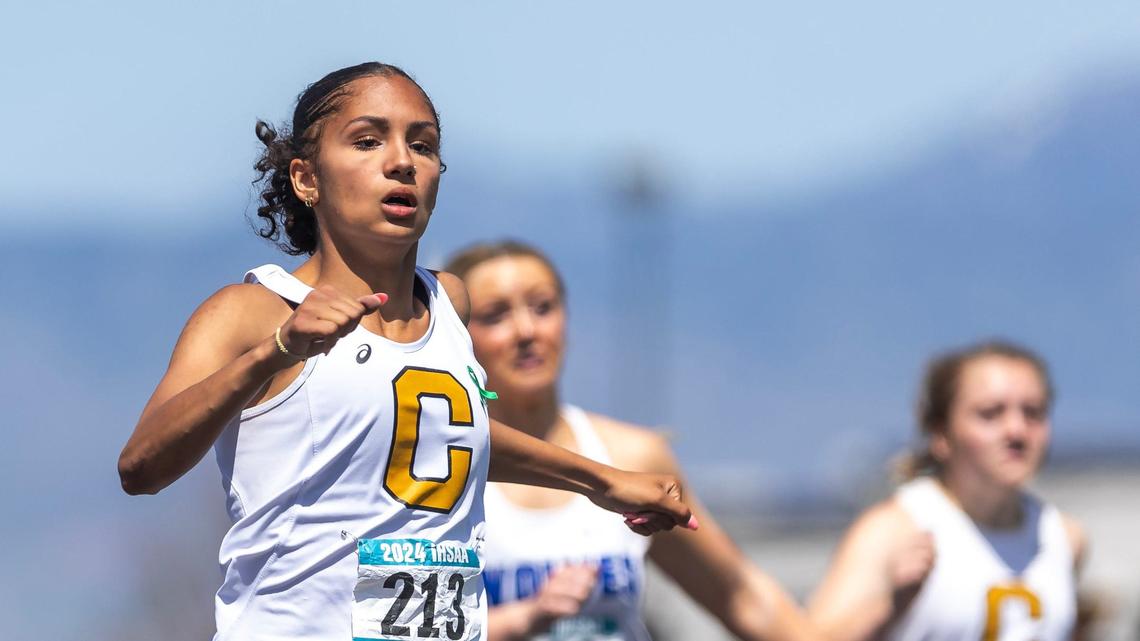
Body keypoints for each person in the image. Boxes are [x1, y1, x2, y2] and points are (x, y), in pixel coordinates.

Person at [116, 62, 695, 641]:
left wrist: (603, 482)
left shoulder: (450, 303)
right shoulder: (252, 311)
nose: (401, 162)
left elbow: (444, 438)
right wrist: (274, 352)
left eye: (423, 146)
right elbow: (141, 466)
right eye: (367, 141)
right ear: (305, 178)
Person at [444, 240, 818, 641]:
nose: (526, 331)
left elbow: (739, 595)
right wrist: (524, 617)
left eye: (543, 307)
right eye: (495, 315)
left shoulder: (631, 456)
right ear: (456, 334)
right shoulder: (441, 461)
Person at [807, 341, 1085, 641]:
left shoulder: (1064, 538)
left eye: (1033, 413)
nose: (1016, 431)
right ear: (941, 434)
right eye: (990, 413)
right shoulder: (894, 530)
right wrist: (889, 606)